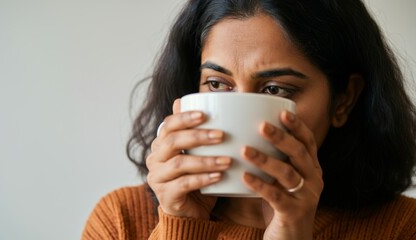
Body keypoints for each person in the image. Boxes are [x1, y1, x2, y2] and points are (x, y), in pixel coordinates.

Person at [82, 0, 416, 239]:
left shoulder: (401, 228)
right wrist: (180, 227)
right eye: (216, 84)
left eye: (274, 89)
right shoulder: (121, 221)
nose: (240, 110)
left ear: (344, 100)